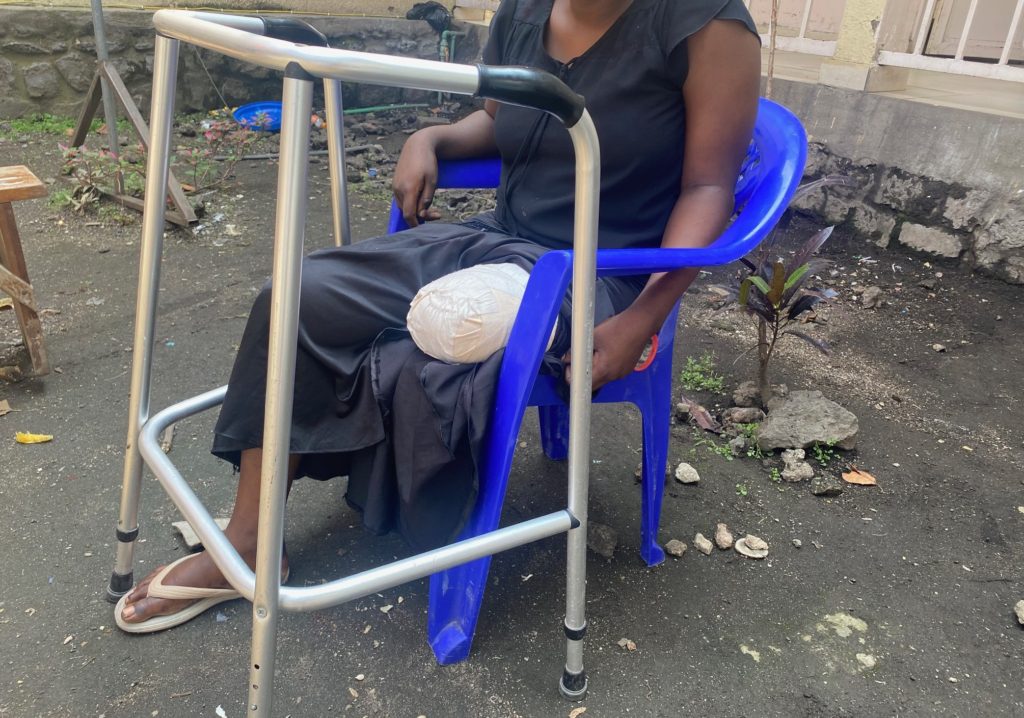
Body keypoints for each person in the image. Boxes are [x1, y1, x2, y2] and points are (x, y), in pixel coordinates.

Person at [116, 0, 760, 632]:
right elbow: (500, 120)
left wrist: (646, 315)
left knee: (439, 346)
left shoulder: (704, 23)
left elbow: (709, 188)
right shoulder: (526, 11)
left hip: (602, 273)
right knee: (298, 294)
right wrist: (431, 137)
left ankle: (434, 525)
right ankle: (251, 540)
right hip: (494, 236)